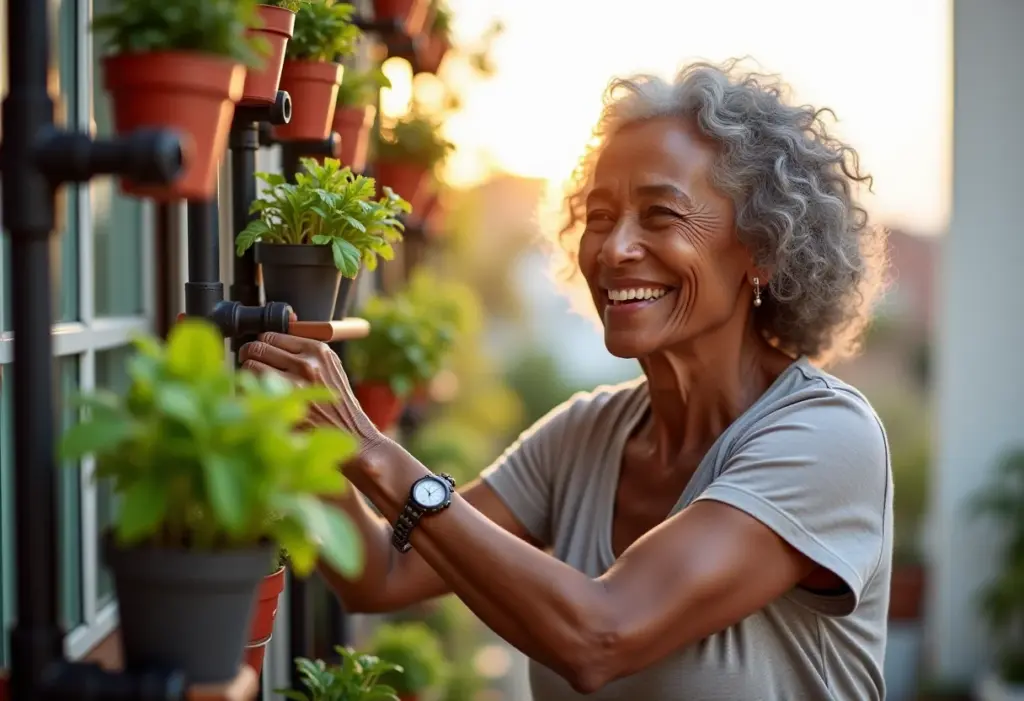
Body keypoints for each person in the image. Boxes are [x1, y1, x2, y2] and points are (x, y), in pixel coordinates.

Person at [239, 60, 892, 701]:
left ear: (764, 250)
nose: (613, 250)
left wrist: (373, 447)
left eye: (661, 214)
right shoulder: (585, 434)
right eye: (601, 216)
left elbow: (601, 635)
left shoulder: (828, 436)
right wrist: (305, 417)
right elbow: (380, 573)